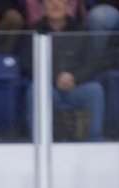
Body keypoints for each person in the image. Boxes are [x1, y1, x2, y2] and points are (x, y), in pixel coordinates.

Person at [26, 0, 108, 141]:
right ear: (43, 8)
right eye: (50, 2)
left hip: (77, 86)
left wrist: (74, 78)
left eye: (60, 1)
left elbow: (91, 63)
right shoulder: (34, 31)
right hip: (49, 88)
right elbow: (26, 64)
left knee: (95, 90)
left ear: (67, 7)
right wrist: (54, 78)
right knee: (36, 89)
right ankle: (39, 140)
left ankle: (95, 140)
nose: (55, 4)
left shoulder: (80, 30)